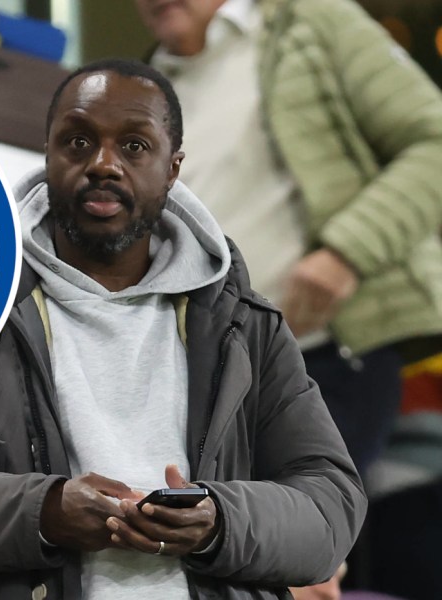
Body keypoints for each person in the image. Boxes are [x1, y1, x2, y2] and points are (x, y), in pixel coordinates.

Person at [0, 59, 366, 600]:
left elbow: (330, 507)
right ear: (48, 154)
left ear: (172, 169)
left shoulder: (246, 326)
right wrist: (45, 511)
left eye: (134, 146)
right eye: (79, 142)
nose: (104, 164)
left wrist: (218, 521)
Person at [132, 0, 442, 476]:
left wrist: (346, 254)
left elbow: (433, 142)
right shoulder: (145, 86)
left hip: (322, 358)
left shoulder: (308, 22)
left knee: (299, 519)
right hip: (197, 385)